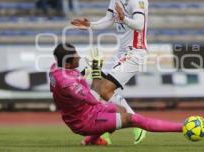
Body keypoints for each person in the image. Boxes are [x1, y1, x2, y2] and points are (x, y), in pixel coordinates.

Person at [71, 0, 148, 144]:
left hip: (135, 52)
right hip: (121, 51)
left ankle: (134, 122)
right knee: (97, 88)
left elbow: (140, 24)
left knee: (104, 88)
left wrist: (125, 18)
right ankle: (102, 133)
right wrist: (90, 25)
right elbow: (108, 19)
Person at [49, 43, 184, 146]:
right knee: (133, 119)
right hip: (85, 121)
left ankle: (91, 140)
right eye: (75, 56)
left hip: (85, 111)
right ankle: (183, 128)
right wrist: (96, 70)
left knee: (119, 109)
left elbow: (76, 81)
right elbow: (94, 99)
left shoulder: (55, 68)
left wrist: (89, 71)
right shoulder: (68, 83)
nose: (78, 57)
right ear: (67, 62)